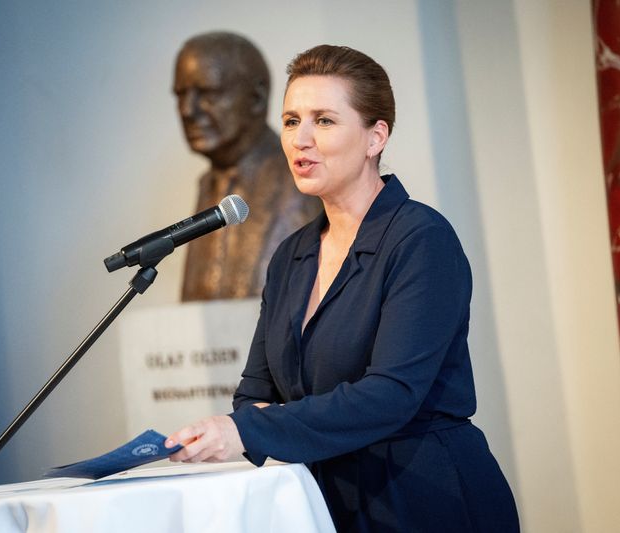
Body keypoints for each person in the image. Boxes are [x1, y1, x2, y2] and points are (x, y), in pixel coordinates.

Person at [166, 44, 520, 532]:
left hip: (421, 496)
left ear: (376, 137)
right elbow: (253, 393)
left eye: (324, 121)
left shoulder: (420, 238)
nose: (300, 140)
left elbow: (391, 394)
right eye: (291, 121)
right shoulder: (291, 256)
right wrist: (251, 420)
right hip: (324, 499)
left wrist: (251, 429)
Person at [174, 32, 322, 301]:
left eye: (207, 93)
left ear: (256, 97)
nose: (187, 110)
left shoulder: (300, 179)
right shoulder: (208, 185)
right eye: (181, 95)